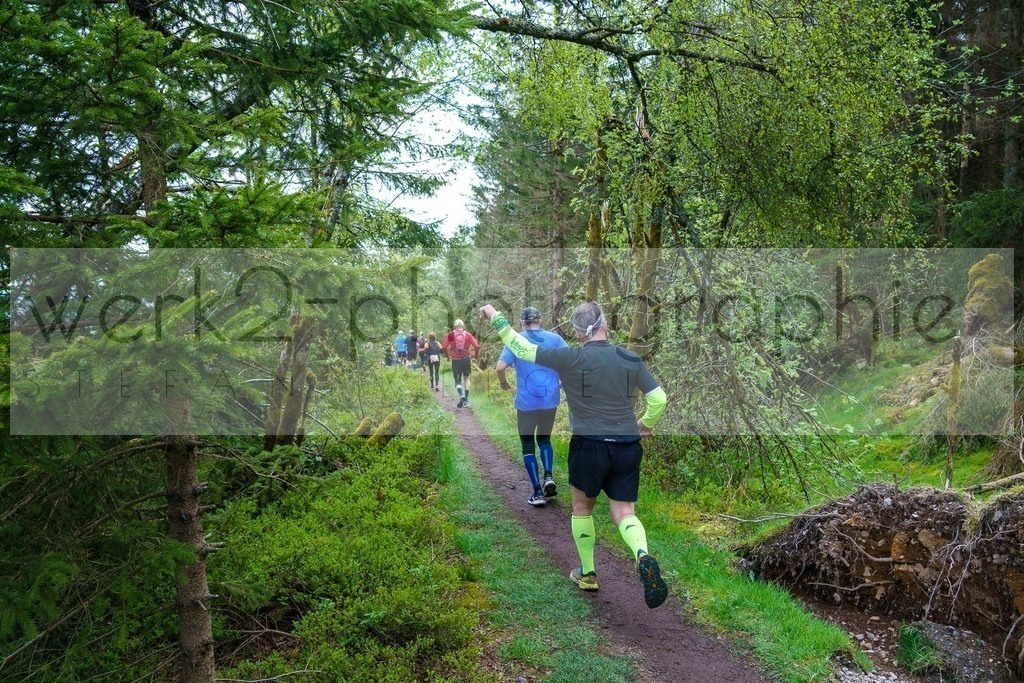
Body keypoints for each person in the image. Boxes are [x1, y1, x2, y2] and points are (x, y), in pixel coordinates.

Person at [479, 301, 670, 609]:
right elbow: (659, 398)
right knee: (625, 513)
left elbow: (522, 348)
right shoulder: (629, 358)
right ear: (604, 325)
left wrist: (494, 316)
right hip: (626, 446)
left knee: (582, 507)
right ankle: (642, 555)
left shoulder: (569, 357)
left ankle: (588, 573)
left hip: (588, 446)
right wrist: (644, 424)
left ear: (578, 332)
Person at [495, 307, 568, 507]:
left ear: (521, 322)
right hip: (549, 400)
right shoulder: (555, 339)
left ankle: (537, 492)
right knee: (544, 439)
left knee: (528, 446)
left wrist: (503, 383)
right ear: (540, 321)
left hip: (526, 403)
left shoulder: (515, 340)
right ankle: (549, 476)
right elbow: (571, 362)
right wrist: (560, 381)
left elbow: (500, 367)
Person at [442, 318, 480, 407]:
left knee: (457, 381)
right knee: (466, 378)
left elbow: (444, 347)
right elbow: (477, 346)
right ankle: (466, 400)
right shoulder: (468, 335)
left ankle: (461, 395)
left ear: (455, 326)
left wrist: (447, 356)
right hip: (466, 359)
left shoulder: (451, 335)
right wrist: (475, 357)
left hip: (456, 361)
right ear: (462, 326)